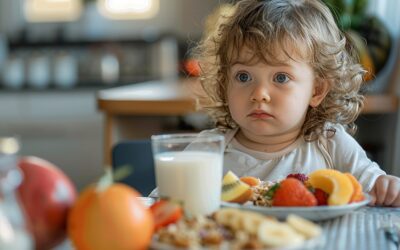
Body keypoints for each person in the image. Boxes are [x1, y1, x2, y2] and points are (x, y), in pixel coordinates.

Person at [193, 0, 400, 206]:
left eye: (281, 78)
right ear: (225, 82)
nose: (259, 94)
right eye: (243, 77)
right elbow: (166, 199)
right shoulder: (208, 150)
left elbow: (374, 184)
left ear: (316, 90)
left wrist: (387, 187)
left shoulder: (330, 143)